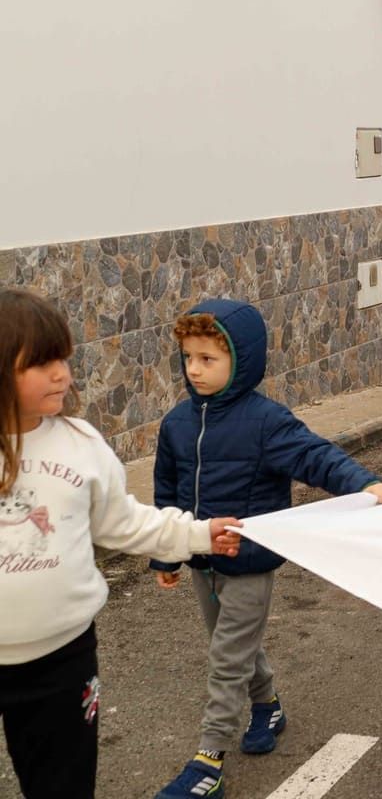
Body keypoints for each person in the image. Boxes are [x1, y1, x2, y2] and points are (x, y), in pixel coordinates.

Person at [0, 288, 242, 799]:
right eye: (41, 364)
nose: (62, 374)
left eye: (62, 358)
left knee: (62, 785)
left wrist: (196, 533)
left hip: (62, 661)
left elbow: (123, 522)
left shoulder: (81, 444)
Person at [149, 301, 382, 799]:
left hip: (249, 562)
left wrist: (363, 482)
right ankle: (268, 706)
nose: (194, 368)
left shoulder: (265, 421)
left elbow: (314, 455)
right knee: (233, 645)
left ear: (242, 362)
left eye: (208, 359)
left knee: (225, 657)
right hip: (200, 558)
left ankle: (208, 759)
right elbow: (167, 493)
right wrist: (166, 552)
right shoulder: (176, 423)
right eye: (188, 357)